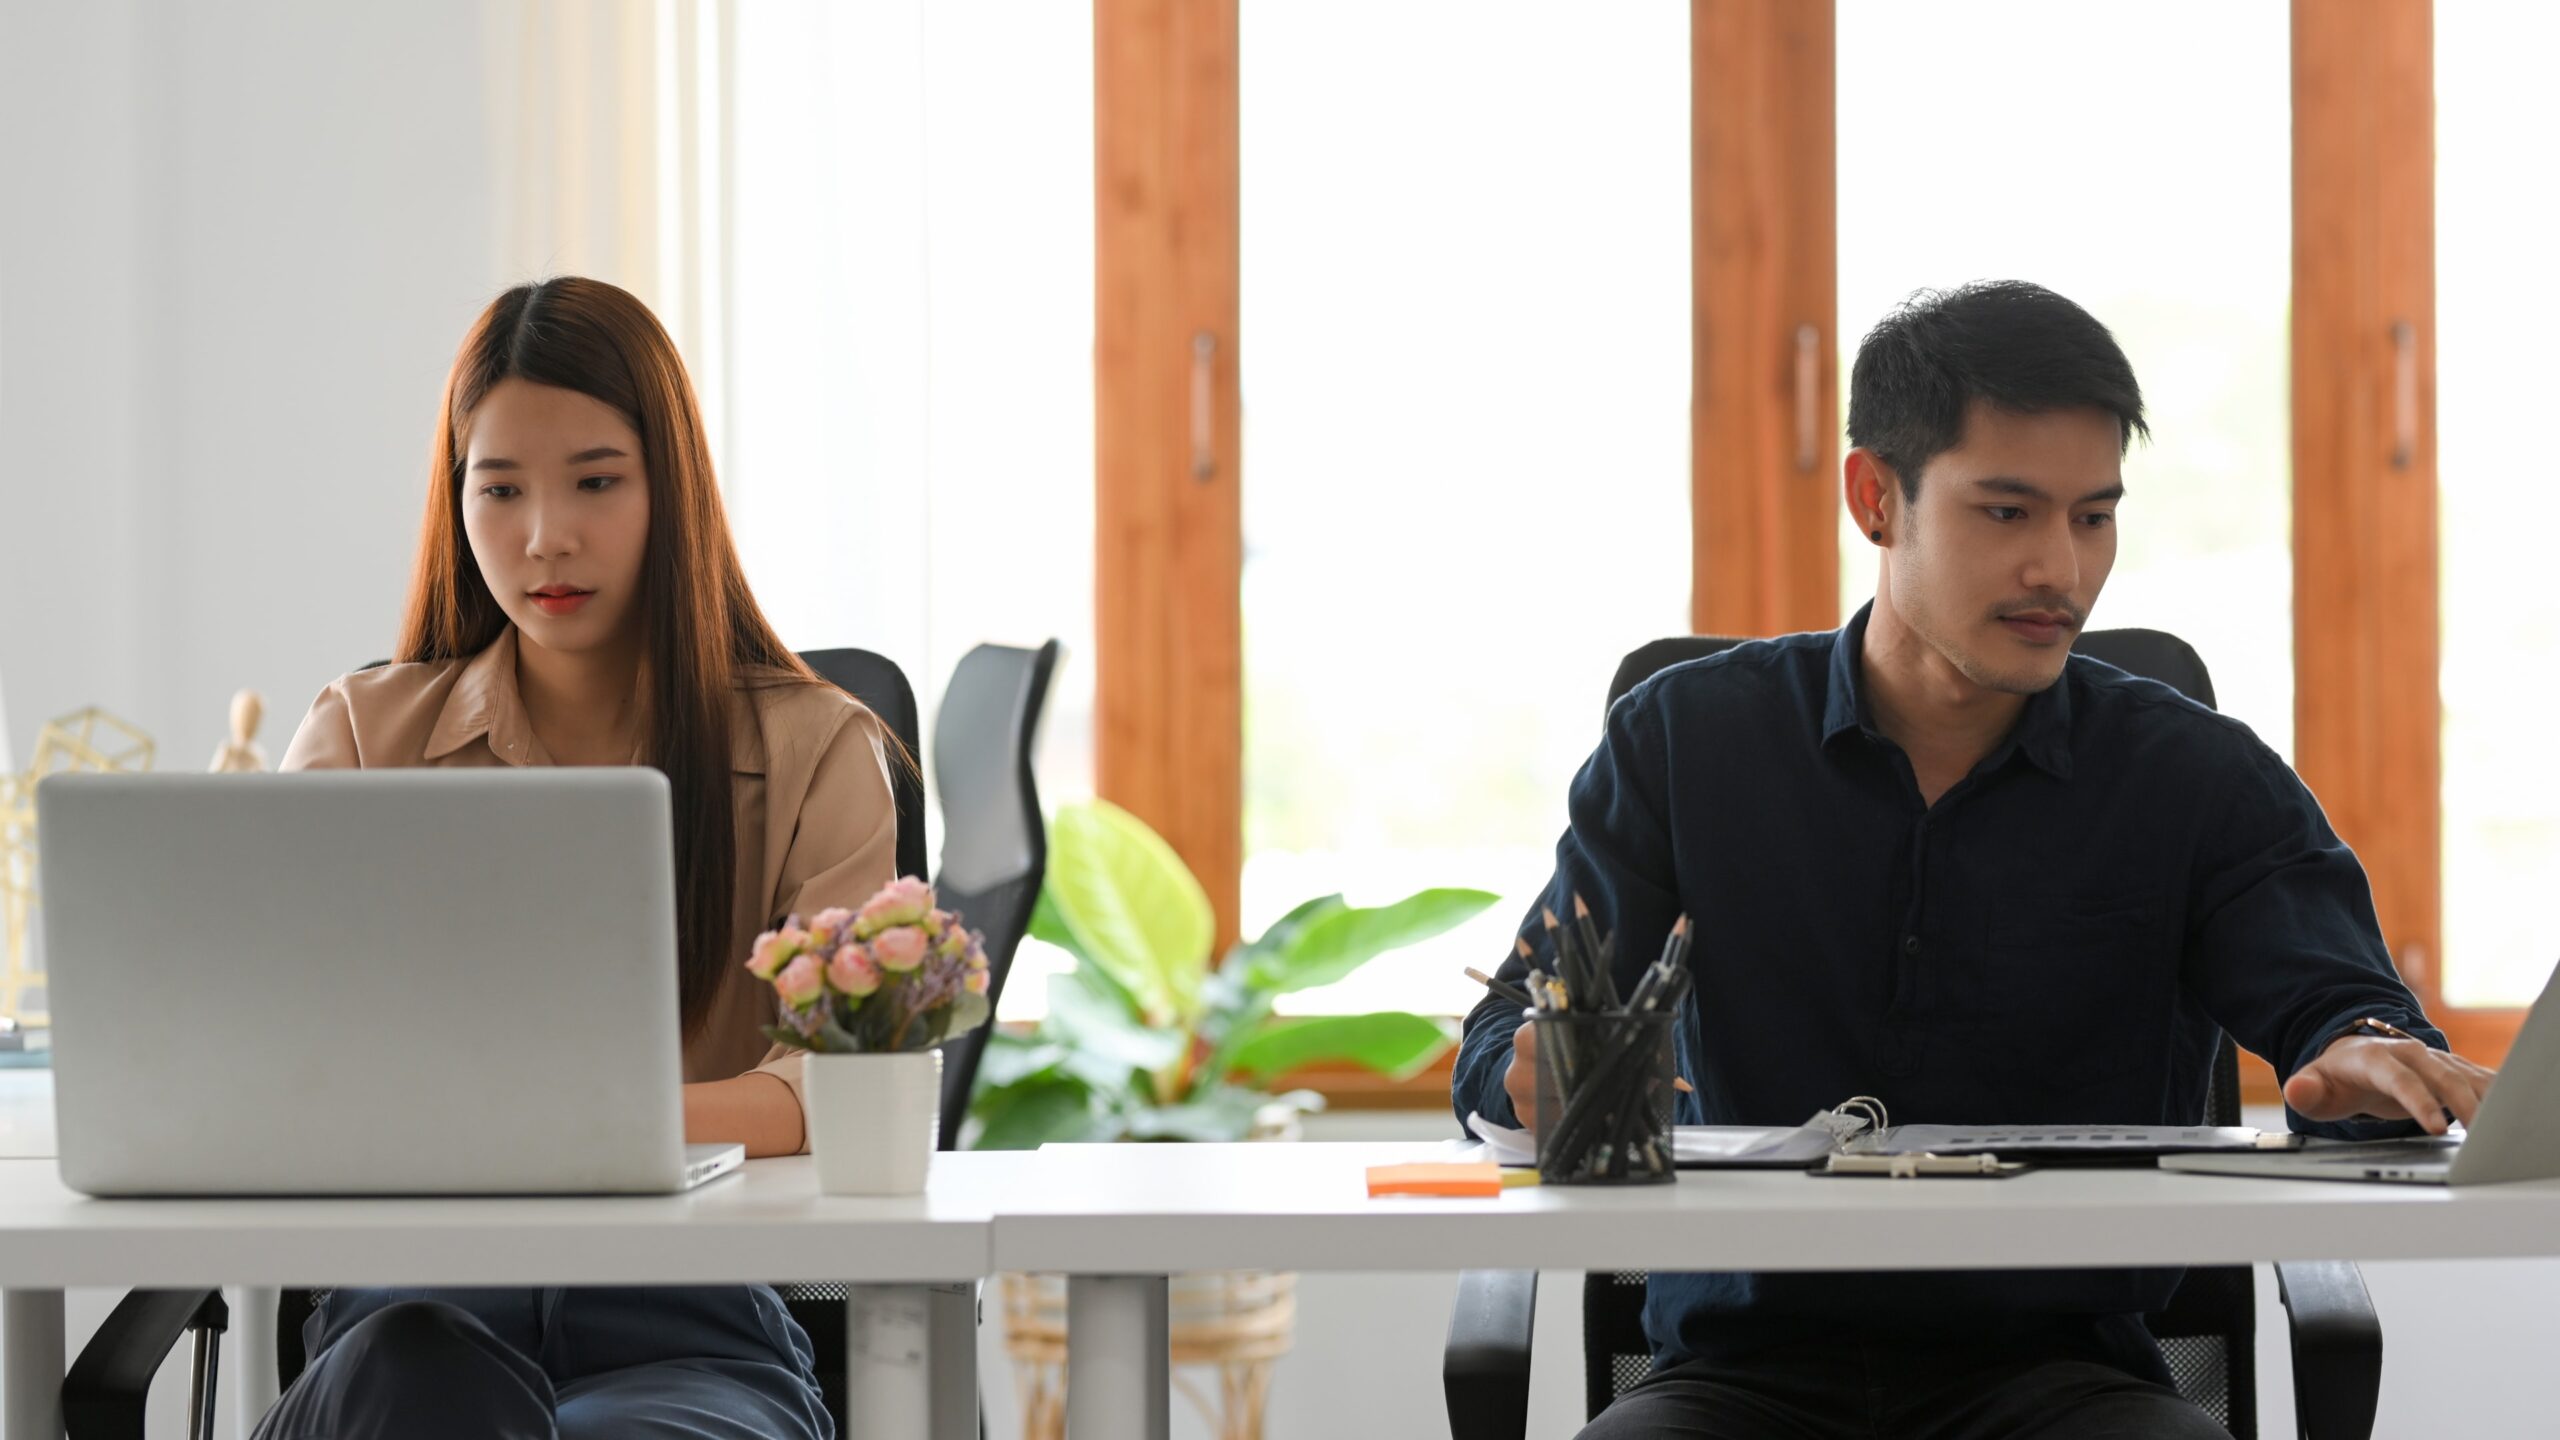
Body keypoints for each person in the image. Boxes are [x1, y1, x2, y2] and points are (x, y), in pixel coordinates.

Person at [1453, 280, 2501, 1440]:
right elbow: (1505, 1039)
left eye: (2092, 516)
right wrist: (1532, 1077)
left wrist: (2364, 1075)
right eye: (2006, 513)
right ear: (1875, 498)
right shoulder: (1682, 743)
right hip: (1737, 1378)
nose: (2060, 568)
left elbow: (2351, 1030)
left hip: (2069, 1382)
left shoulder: (2194, 778)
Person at [256, 276, 895, 1440]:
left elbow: (831, 1094)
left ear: (671, 490)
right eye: (500, 490)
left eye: (595, 482)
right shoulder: (361, 738)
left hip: (692, 1323)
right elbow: (273, 1059)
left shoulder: (818, 751)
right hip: (409, 1307)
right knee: (416, 1377)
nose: (545, 535)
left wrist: (526, 1124)